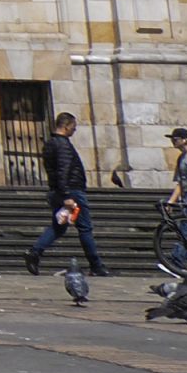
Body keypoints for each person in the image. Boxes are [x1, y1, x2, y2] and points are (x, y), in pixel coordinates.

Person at [24, 111, 111, 276]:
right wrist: (67, 196)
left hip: (58, 191)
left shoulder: (49, 143)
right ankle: (96, 265)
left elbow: (53, 171)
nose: (75, 130)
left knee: (58, 227)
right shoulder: (63, 145)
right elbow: (63, 170)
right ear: (66, 126)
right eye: (73, 127)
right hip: (71, 191)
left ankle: (35, 252)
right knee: (85, 228)